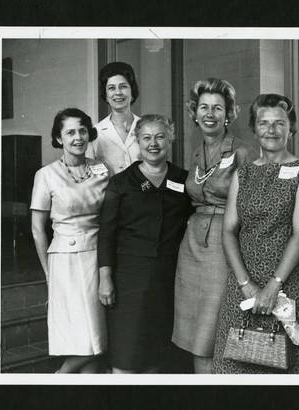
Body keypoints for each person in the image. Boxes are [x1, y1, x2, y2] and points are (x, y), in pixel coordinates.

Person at [211, 94, 299, 374]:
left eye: (279, 123)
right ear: (254, 128)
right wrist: (245, 283)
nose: (271, 130)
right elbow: (228, 231)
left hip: (286, 283)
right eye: (264, 123)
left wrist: (274, 285)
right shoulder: (242, 174)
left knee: (283, 366)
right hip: (242, 283)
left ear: (291, 128)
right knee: (232, 365)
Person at [172, 78, 258, 373]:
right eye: (204, 107)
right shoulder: (195, 153)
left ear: (228, 113)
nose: (210, 114)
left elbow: (252, 208)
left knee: (213, 332)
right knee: (195, 335)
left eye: (218, 108)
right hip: (192, 246)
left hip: (224, 247)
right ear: (194, 113)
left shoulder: (243, 151)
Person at [97, 114, 193, 373]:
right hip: (129, 280)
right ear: (137, 142)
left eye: (160, 136)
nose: (154, 143)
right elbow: (106, 233)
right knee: (126, 357)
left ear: (170, 139)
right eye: (146, 137)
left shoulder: (184, 180)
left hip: (170, 280)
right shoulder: (121, 182)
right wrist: (105, 277)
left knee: (158, 359)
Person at [30, 108, 110, 373]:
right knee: (83, 339)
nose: (78, 137)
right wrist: (48, 273)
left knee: (97, 337)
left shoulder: (101, 169)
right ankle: (59, 378)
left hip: (98, 256)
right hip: (65, 261)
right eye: (70, 132)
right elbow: (38, 229)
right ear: (58, 138)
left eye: (83, 130)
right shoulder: (46, 175)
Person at [86, 61, 141, 175]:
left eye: (123, 87)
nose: (118, 92)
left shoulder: (146, 128)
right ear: (105, 95)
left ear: (132, 91)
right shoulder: (96, 133)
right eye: (111, 88)